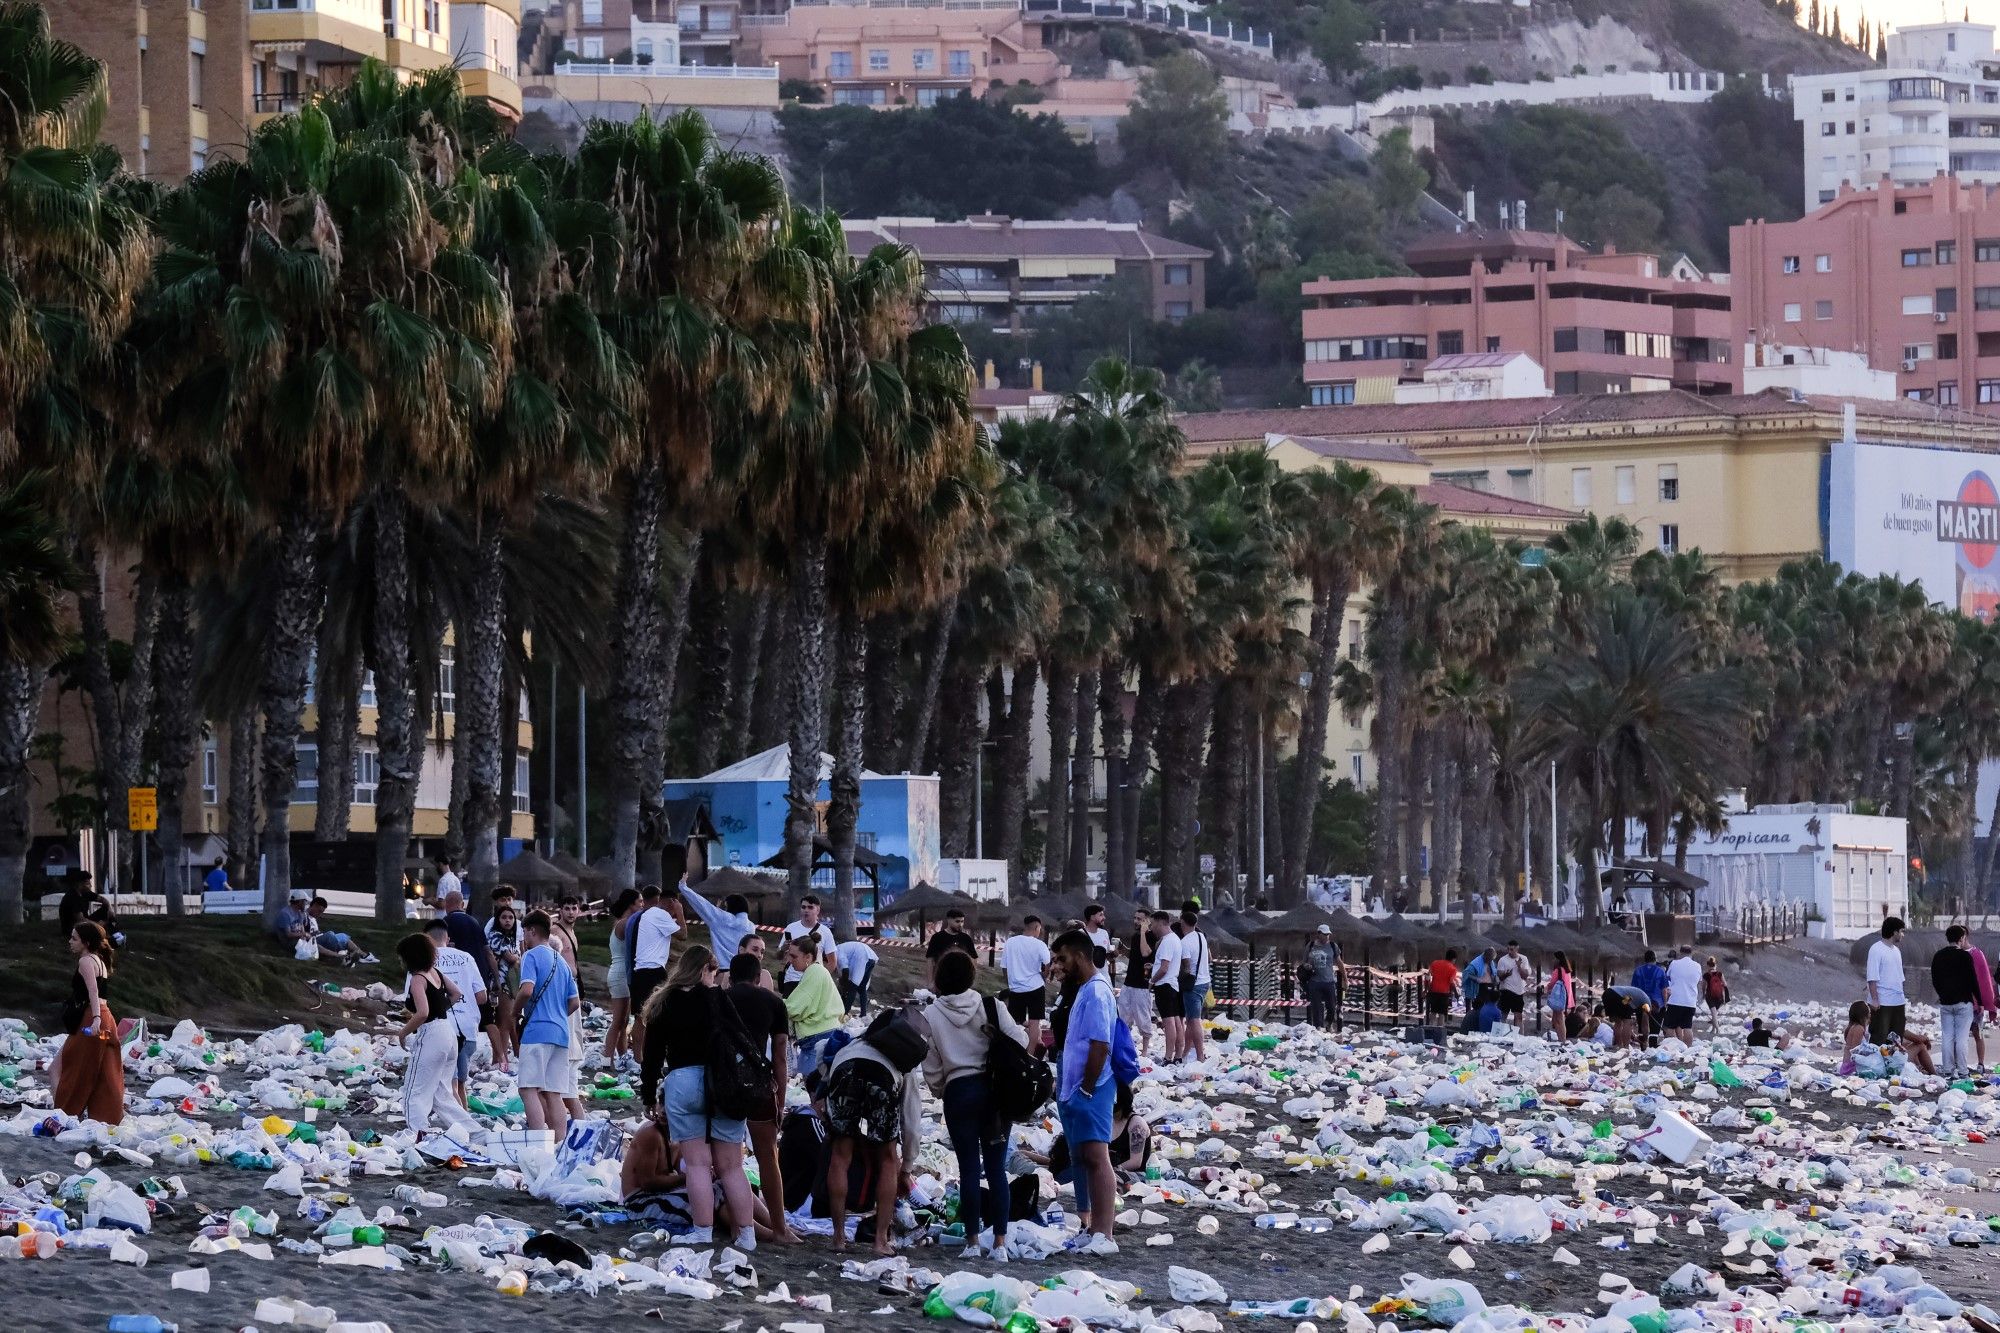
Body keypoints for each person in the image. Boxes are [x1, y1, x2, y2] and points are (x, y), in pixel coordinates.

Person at [638, 944, 762, 1250]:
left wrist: (649, 1094)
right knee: (732, 1166)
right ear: (705, 970)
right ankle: (747, 1236)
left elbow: (651, 1054)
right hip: (722, 1082)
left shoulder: (664, 1000)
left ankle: (702, 1231)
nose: (718, 977)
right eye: (715, 970)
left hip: (682, 1081)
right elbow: (741, 1038)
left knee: (696, 1164)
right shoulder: (717, 998)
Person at [922, 950, 1029, 1259]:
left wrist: (943, 1088)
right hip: (994, 1095)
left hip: (958, 1093)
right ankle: (999, 1243)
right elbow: (1019, 1041)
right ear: (971, 976)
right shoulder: (991, 1005)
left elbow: (930, 1065)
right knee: (996, 1169)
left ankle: (971, 1243)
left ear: (940, 978)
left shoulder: (931, 1014)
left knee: (968, 1169)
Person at [822, 1008, 928, 1256]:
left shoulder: (854, 1042)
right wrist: (908, 1165)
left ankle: (838, 1237)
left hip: (844, 1070)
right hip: (883, 1077)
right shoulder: (903, 1060)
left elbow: (822, 1056)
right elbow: (911, 1119)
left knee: (840, 1155)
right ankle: (880, 1241)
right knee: (888, 1158)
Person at [1050, 928, 1118, 1254]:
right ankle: (1093, 1231)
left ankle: (1105, 1234)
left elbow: (1100, 1044)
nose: (1059, 965)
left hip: (1094, 1087)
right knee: (1087, 1158)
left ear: (1079, 955)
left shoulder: (1097, 991)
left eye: (1062, 958)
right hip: (1080, 1088)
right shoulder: (1085, 989)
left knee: (1097, 1157)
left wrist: (1088, 1089)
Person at [727, 952, 800, 1244]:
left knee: (728, 1160)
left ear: (730, 977)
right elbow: (780, 1057)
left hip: (725, 1082)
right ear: (759, 978)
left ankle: (738, 1225)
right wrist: (780, 1099)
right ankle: (781, 1228)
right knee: (768, 1157)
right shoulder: (774, 1002)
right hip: (758, 1084)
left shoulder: (721, 998)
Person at [393, 933, 482, 1137]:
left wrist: (403, 1032)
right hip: (448, 1032)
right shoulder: (436, 973)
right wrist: (441, 1008)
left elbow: (422, 1013)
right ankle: (474, 1132)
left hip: (431, 1033)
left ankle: (418, 1132)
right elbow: (457, 993)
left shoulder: (417, 979)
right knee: (442, 1092)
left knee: (414, 1090)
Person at [515, 909, 581, 1140]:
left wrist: (515, 1012)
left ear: (532, 931)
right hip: (561, 1033)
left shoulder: (531, 956)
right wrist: (557, 1014)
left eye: (524, 932)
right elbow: (574, 1002)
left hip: (537, 1031)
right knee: (554, 1092)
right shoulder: (561, 961)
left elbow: (527, 990)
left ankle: (536, 1139)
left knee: (528, 1088)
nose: (523, 938)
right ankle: (560, 1142)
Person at [54, 921, 124, 1124]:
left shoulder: (85, 961)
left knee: (77, 1068)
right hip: (106, 1020)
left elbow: (93, 991)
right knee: (106, 1069)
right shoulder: (99, 960)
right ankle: (107, 1117)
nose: (70, 942)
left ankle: (64, 1115)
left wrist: (95, 1020)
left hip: (92, 1022)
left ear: (85, 942)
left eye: (74, 938)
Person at [422, 918, 487, 1106]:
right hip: (468, 1029)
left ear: (426, 938)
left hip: (442, 1029)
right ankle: (464, 1124)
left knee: (448, 1085)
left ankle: (459, 1128)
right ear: (447, 937)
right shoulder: (467, 957)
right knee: (459, 1085)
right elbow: (482, 996)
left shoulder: (424, 960)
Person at [440, 889, 507, 1075]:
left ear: (447, 905)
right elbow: (488, 952)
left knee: (452, 1015)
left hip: (457, 977)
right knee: (488, 1019)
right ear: (462, 904)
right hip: (480, 977)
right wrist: (495, 979)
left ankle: (454, 1059)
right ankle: (500, 1057)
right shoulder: (475, 922)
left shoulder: (446, 923)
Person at [783, 934, 846, 1079]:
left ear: (808, 957)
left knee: (811, 1090)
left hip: (818, 1038)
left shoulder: (814, 971)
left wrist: (775, 1003)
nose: (790, 960)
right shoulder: (817, 972)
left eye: (794, 956)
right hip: (821, 1036)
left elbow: (795, 1008)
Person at [629, 883, 682, 1055]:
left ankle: (640, 1057)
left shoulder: (648, 914)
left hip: (643, 971)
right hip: (652, 972)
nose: (674, 914)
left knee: (641, 1016)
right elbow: (683, 934)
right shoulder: (660, 914)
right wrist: (680, 912)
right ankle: (644, 1056)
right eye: (675, 907)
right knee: (651, 1017)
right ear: (670, 903)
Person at [1932, 924, 1979, 1080]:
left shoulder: (1938, 956)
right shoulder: (1965, 956)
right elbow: (1973, 980)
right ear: (1961, 938)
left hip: (1945, 1003)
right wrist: (1979, 1000)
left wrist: (1942, 994)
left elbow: (1935, 980)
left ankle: (1947, 1071)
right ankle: (1963, 1071)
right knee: (1961, 1038)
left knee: (1947, 1036)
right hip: (1963, 1003)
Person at [1001, 915, 1053, 1053]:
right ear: (1037, 927)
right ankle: (1030, 1055)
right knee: (1034, 1024)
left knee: (1014, 1023)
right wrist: (1044, 975)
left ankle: (1015, 1052)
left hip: (1016, 988)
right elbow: (1047, 964)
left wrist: (1009, 982)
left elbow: (1004, 967)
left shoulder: (1010, 942)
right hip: (1035, 987)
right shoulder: (1039, 944)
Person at [678, 876, 757, 963]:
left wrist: (683, 887)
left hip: (723, 969)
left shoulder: (721, 918)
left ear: (732, 906)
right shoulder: (751, 927)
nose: (725, 908)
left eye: (726, 906)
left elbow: (701, 904)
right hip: (745, 968)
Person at [603, 888, 640, 1063]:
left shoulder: (622, 921)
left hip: (621, 974)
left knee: (624, 1021)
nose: (641, 905)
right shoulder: (626, 923)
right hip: (619, 974)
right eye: (639, 902)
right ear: (631, 904)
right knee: (618, 1021)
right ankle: (607, 1059)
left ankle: (622, 1056)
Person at [487, 901, 525, 1069]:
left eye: (511, 917)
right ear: (498, 919)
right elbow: (511, 958)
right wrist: (518, 959)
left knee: (508, 1021)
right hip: (501, 983)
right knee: (506, 1020)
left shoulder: (511, 938)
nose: (508, 920)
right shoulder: (495, 936)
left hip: (512, 982)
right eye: (504, 917)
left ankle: (502, 1057)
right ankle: (501, 1058)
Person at [1118, 907, 1157, 1055]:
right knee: (1123, 1016)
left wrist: (1143, 932)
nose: (1136, 921)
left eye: (1140, 919)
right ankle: (1125, 1047)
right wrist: (1122, 950)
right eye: (1135, 918)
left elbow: (1145, 952)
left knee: (1143, 1017)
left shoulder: (1152, 937)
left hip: (1142, 984)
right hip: (1129, 982)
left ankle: (1145, 1051)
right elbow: (1135, 956)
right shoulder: (1135, 937)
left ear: (1147, 921)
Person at [780, 895, 838, 993]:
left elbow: (832, 962)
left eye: (810, 907)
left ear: (818, 910)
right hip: (792, 980)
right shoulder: (791, 928)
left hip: (813, 981)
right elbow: (779, 956)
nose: (806, 910)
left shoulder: (825, 932)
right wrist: (783, 948)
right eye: (803, 907)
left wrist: (820, 978)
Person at [1149, 911, 1185, 1062]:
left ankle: (1168, 1056)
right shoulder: (1175, 939)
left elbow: (1164, 968)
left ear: (1160, 922)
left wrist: (1151, 981)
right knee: (1176, 1021)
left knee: (1168, 1022)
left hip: (1164, 985)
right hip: (1172, 984)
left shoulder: (1167, 941)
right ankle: (1178, 1055)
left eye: (1152, 924)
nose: (1151, 928)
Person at [1867, 916, 1908, 1044]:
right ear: (1894, 932)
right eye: (1901, 931)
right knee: (1879, 1037)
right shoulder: (1876, 949)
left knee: (1896, 1039)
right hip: (1883, 1002)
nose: (1902, 935)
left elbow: (1899, 977)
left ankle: (1893, 1064)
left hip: (1898, 1001)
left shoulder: (1897, 951)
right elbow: (1872, 977)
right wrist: (1874, 999)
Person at [1176, 909, 1210, 1063]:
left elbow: (1187, 968)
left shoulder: (1184, 942)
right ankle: (1185, 1053)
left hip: (1193, 985)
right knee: (1190, 1019)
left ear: (1183, 922)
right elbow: (1209, 958)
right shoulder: (1201, 936)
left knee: (1194, 1020)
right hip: (1205, 981)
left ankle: (1200, 1055)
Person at [306, 897, 371, 965]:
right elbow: (305, 933)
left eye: (321, 912)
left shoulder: (313, 918)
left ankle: (362, 955)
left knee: (343, 936)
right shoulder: (305, 916)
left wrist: (318, 933)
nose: (319, 914)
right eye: (319, 911)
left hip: (318, 938)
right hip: (312, 940)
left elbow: (316, 931)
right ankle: (345, 955)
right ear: (314, 905)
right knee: (330, 935)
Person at [1302, 925, 1342, 1031]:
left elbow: (1339, 962)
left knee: (1332, 1006)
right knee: (1316, 1007)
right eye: (1325, 934)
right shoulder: (1310, 946)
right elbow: (1304, 962)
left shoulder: (1333, 946)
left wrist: (1345, 979)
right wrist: (1307, 966)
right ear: (1319, 934)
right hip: (1314, 981)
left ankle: (1329, 1024)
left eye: (1328, 934)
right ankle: (1318, 1026)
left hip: (1329, 981)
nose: (1327, 936)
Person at [1969, 931, 1998, 1073]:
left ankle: (1981, 1064)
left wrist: (1984, 1001)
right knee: (1957, 1037)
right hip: (1960, 1001)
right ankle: (1957, 1065)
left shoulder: (1976, 954)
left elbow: (1984, 978)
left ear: (1964, 937)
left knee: (1977, 1033)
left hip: (1976, 1004)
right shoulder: (1954, 953)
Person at [1664, 944, 1703, 1044]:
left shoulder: (1674, 963)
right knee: (1687, 1027)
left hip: (1675, 1000)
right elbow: (1699, 981)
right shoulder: (1697, 966)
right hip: (1690, 1002)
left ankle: (1672, 1048)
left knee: (1670, 1026)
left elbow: (1667, 977)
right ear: (1691, 952)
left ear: (1680, 952)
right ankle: (1687, 1050)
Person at [926, 908, 977, 984]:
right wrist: (930, 982)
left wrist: (971, 980)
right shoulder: (937, 938)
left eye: (962, 921)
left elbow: (974, 959)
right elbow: (930, 960)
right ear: (949, 920)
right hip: (941, 980)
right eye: (957, 921)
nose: (960, 924)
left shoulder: (966, 938)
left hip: (962, 981)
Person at [1631, 950, 1669, 1047]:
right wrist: (1665, 1003)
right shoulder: (1660, 971)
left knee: (1641, 1025)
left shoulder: (1637, 971)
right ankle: (1652, 1046)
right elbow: (1664, 990)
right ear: (1655, 959)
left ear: (1645, 959)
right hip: (1657, 1003)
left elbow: (1633, 989)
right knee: (1654, 1028)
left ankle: (1643, 1046)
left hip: (1640, 1002)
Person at [1494, 940, 1534, 1029]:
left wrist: (1519, 966)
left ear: (1517, 949)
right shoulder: (1503, 960)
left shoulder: (1523, 959)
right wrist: (1506, 974)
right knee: (1502, 1015)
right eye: (1508, 949)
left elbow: (1525, 976)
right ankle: (1498, 1037)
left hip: (1518, 992)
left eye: (1512, 949)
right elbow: (1500, 976)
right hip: (1506, 991)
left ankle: (1520, 1038)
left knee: (1518, 1016)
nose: (1509, 951)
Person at [835, 936, 878, 1015]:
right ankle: (863, 1014)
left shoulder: (838, 952)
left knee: (853, 987)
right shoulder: (840, 949)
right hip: (871, 957)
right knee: (862, 988)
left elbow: (845, 971)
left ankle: (845, 1013)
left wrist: (844, 987)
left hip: (862, 955)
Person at [1602, 984, 1653, 1050]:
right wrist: (1645, 1041)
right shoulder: (1647, 1004)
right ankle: (1626, 1047)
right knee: (1627, 1021)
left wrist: (1630, 1032)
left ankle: (1619, 1046)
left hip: (1607, 993)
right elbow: (1645, 1025)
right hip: (1620, 996)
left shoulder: (1640, 997)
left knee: (1618, 1022)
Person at [1459, 948, 1495, 1035]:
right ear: (1485, 956)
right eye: (1489, 959)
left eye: (1491, 959)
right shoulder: (1476, 963)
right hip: (1479, 988)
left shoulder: (1491, 963)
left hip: (1489, 987)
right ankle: (1474, 1027)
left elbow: (1493, 973)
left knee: (1486, 1008)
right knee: (1478, 1009)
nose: (1490, 961)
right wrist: (1477, 979)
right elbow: (1466, 973)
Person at [1425, 948, 1460, 1027]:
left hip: (1433, 991)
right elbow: (1451, 982)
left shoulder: (1435, 963)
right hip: (1444, 994)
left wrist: (1426, 989)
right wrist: (1456, 993)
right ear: (1454, 959)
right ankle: (1439, 1033)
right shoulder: (1453, 969)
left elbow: (1427, 976)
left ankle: (1430, 1030)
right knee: (1441, 1014)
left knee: (1433, 1012)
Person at [1546, 949, 1575, 1038]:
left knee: (1559, 1019)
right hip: (1566, 997)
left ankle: (1562, 1039)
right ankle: (1560, 1038)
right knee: (1556, 1019)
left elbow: (1552, 983)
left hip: (1559, 997)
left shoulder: (1558, 970)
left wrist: (1547, 987)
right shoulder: (1567, 971)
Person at [1701, 955, 1729, 1035]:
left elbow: (1703, 986)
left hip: (1710, 996)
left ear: (1708, 965)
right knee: (1714, 1014)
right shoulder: (1720, 974)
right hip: (1719, 997)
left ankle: (1718, 1029)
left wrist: (1703, 994)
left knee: (1714, 1014)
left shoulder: (1706, 975)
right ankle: (1713, 1030)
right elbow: (1725, 984)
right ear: (1715, 964)